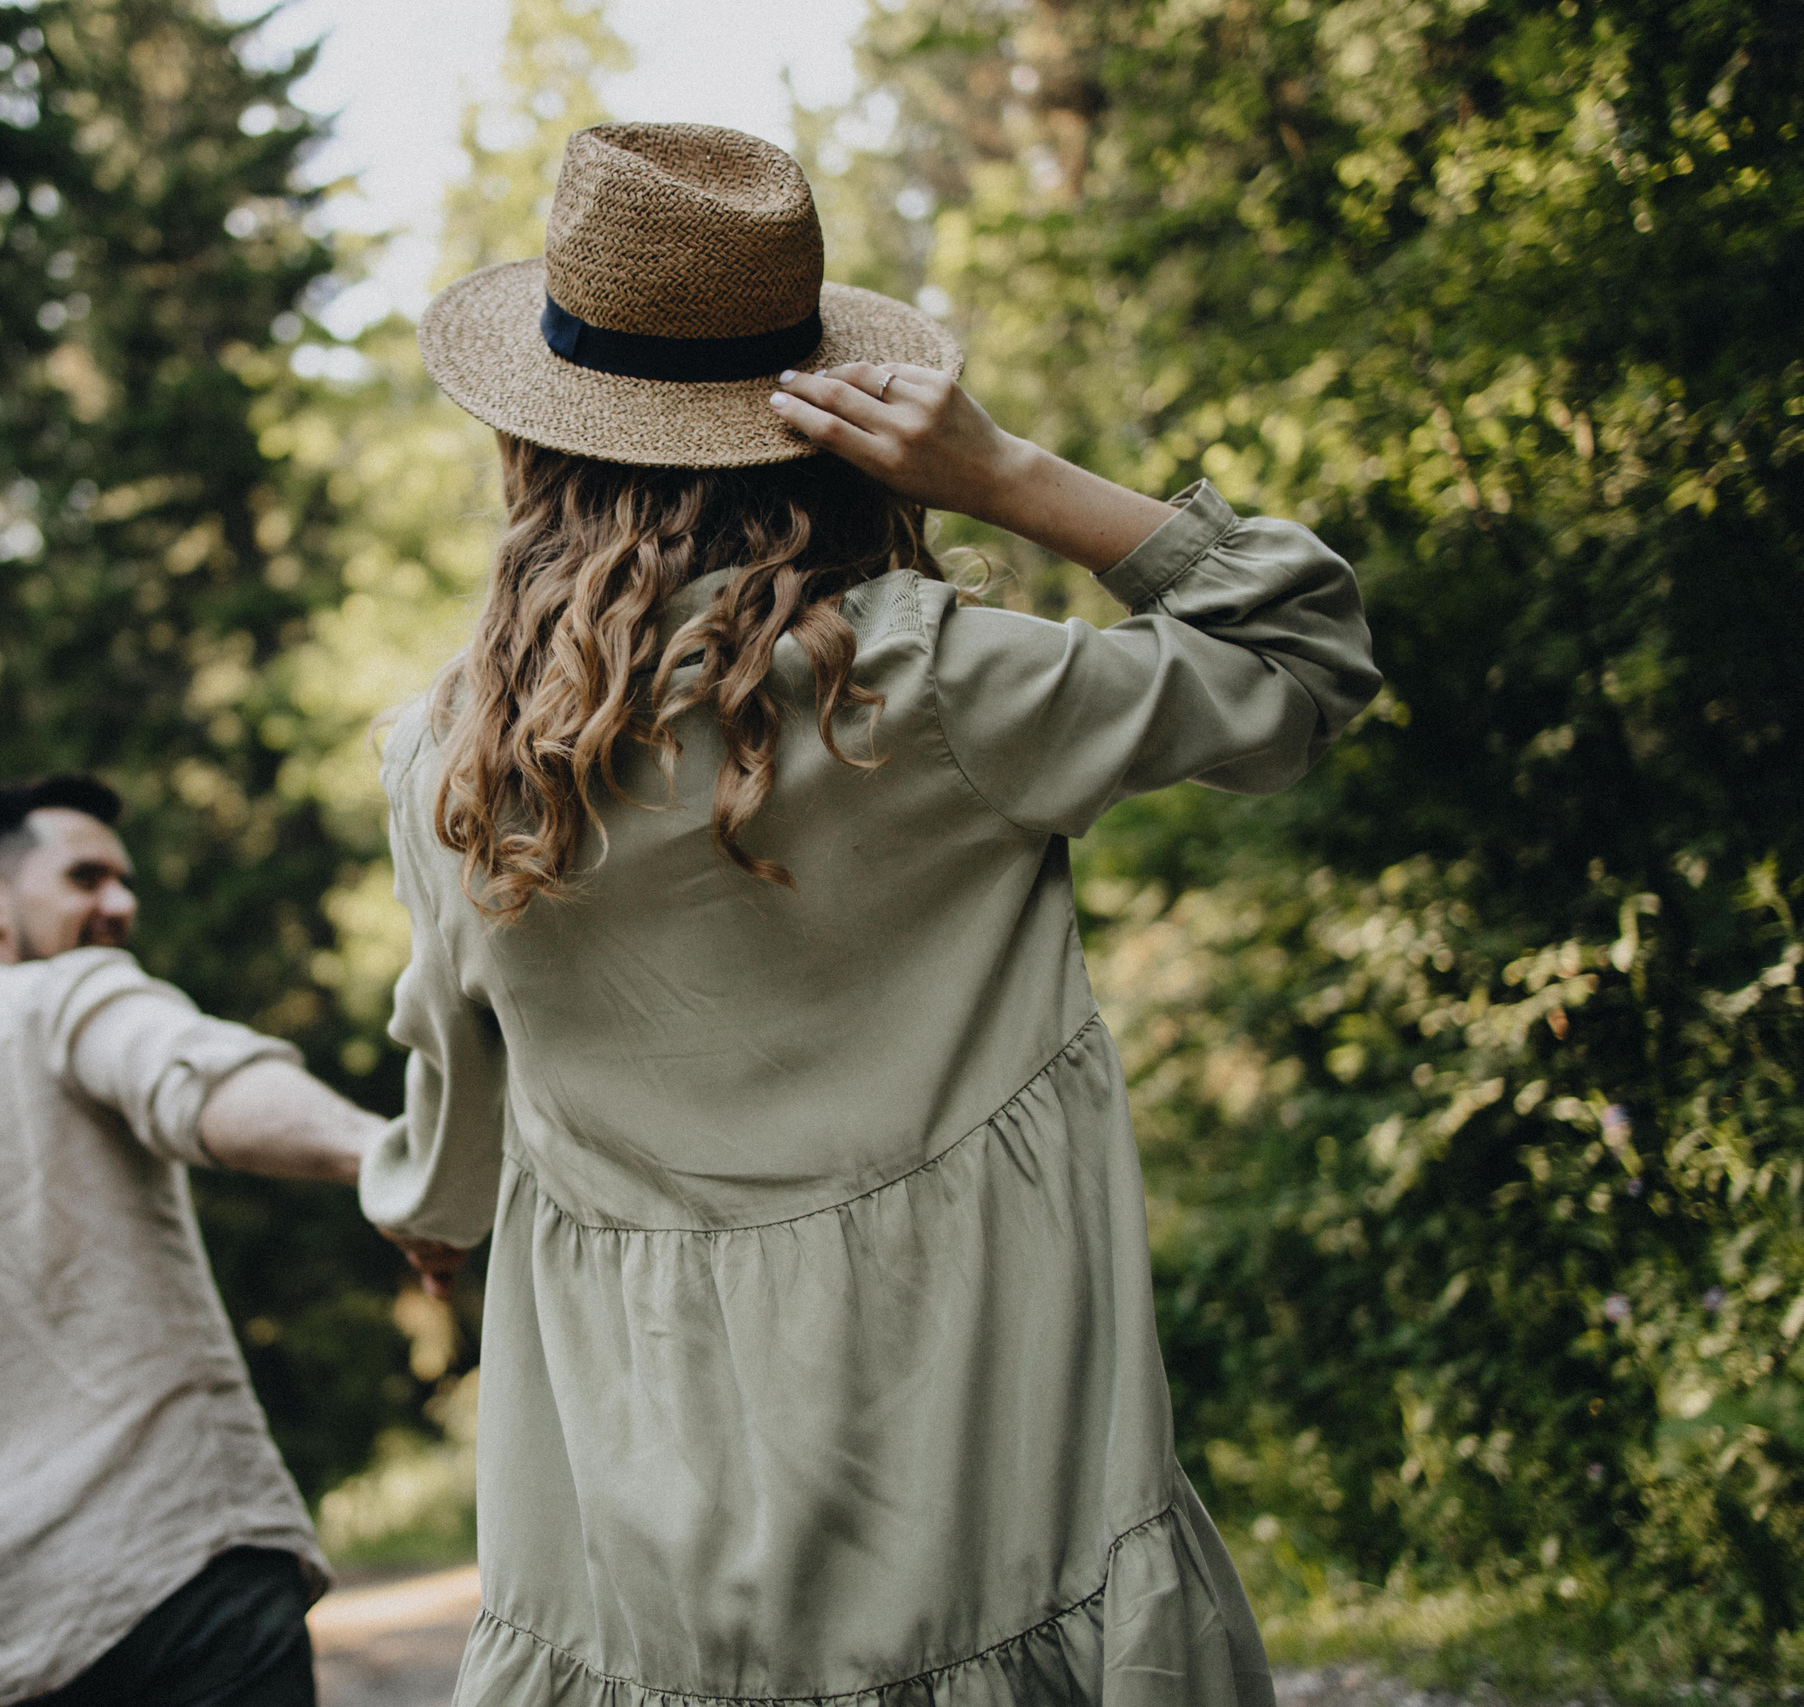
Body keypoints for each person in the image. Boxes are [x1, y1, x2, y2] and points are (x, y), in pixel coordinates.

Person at [360, 122, 1382, 1706]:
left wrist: (424, 1205)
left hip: (645, 1511)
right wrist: (1009, 476)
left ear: (534, 450)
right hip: (972, 1480)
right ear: (830, 430)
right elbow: (1304, 662)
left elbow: (452, 1096)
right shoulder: (934, 686)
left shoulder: (453, 762)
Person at [0, 774, 389, 1707]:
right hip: (187, 1581)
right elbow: (193, 1078)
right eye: (86, 877)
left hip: (2, 1654)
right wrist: (377, 1155)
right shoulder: (64, 994)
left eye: (124, 881)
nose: (122, 904)